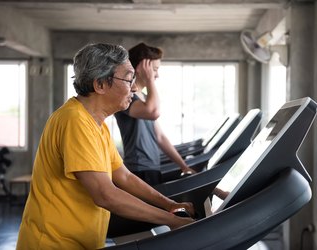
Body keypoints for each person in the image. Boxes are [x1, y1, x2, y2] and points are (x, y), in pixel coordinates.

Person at [16, 43, 194, 250]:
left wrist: (169, 205)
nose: (135, 87)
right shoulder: (75, 121)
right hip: (53, 244)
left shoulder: (97, 124)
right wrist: (171, 220)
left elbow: (124, 177)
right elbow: (105, 194)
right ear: (100, 84)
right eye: (129, 79)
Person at [114, 43, 195, 186]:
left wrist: (184, 166)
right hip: (138, 169)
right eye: (154, 70)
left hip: (152, 168)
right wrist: (149, 79)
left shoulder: (145, 98)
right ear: (142, 68)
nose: (156, 75)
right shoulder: (127, 97)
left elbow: (160, 137)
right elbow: (153, 112)